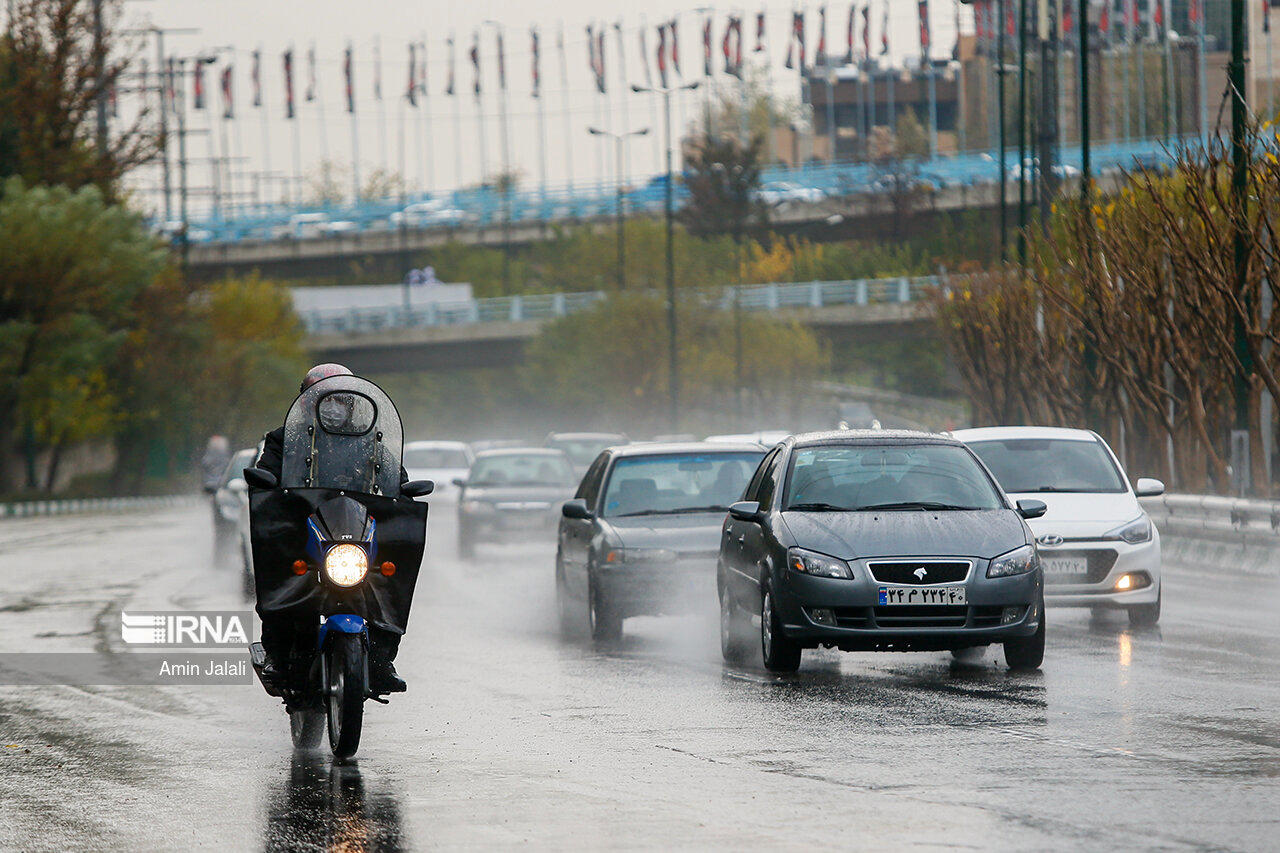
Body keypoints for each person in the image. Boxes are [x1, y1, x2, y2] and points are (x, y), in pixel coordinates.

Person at [254, 363, 410, 694]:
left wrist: (403, 491)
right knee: (280, 578)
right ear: (308, 402)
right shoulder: (284, 439)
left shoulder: (370, 440)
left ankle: (383, 660)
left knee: (388, 581)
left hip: (352, 528)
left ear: (355, 403)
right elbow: (265, 476)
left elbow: (395, 478)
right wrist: (266, 485)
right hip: (303, 526)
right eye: (326, 399)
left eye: (341, 399)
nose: (335, 406)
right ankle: (277, 656)